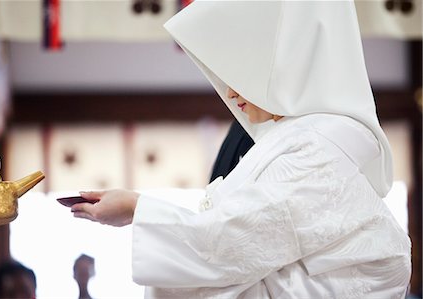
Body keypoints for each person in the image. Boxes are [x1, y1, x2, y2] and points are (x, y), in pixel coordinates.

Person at [71, 1, 412, 298]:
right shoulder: (293, 137)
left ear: (283, 62)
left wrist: (137, 209)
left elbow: (232, 242)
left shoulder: (317, 145)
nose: (228, 91)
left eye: (240, 70)